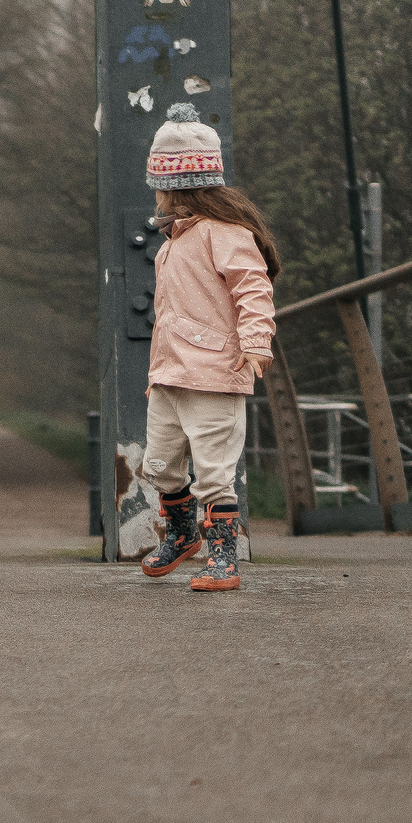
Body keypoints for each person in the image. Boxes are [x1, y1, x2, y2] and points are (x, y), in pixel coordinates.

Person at [135, 104, 280, 592]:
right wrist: (156, 375)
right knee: (159, 463)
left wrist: (257, 344)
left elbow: (253, 289)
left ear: (174, 186)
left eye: (159, 184)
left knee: (215, 472)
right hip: (171, 376)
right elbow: (169, 319)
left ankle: (223, 555)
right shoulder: (173, 240)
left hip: (216, 373)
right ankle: (181, 534)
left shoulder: (226, 235)